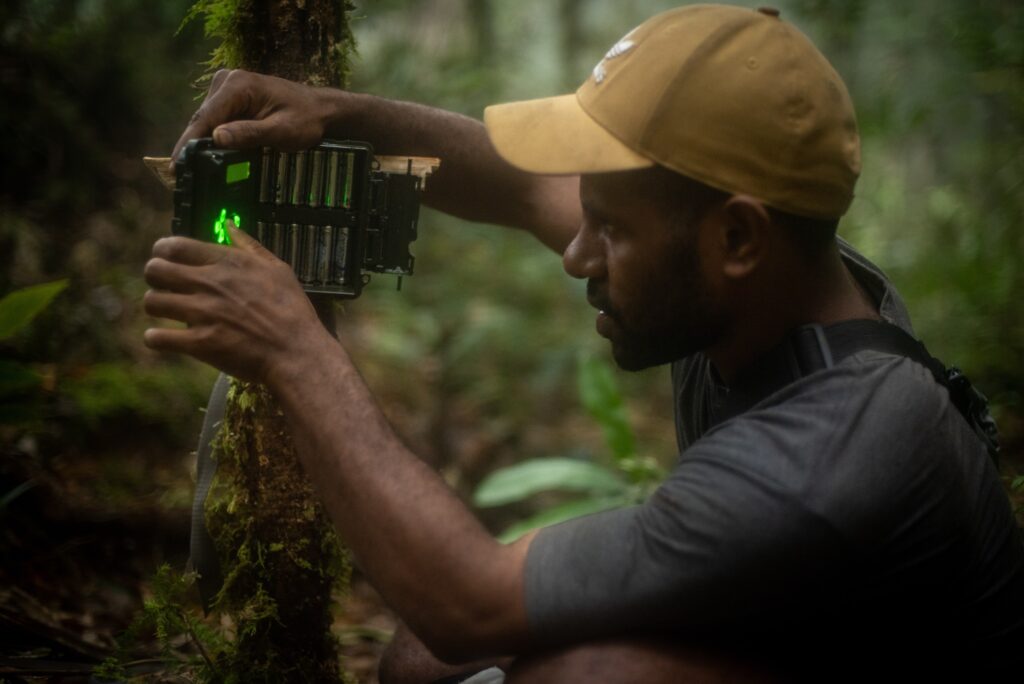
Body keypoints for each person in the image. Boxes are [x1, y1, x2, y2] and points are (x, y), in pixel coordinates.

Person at [145, 5, 1024, 682]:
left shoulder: (830, 454)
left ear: (738, 240)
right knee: (418, 664)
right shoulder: (773, 279)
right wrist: (340, 113)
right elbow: (531, 190)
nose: (576, 253)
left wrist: (292, 348)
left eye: (610, 230)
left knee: (581, 675)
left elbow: (468, 602)